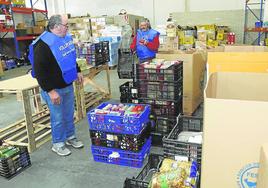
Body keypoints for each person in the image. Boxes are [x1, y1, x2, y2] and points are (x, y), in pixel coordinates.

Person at [28, 14, 84, 156]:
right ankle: (58, 143)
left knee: (69, 114)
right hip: (53, 88)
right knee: (57, 118)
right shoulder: (42, 45)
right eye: (66, 25)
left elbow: (70, 56)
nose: (68, 28)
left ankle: (70, 137)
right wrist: (50, 91)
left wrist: (77, 71)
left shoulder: (65, 39)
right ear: (57, 27)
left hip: (67, 85)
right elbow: (40, 72)